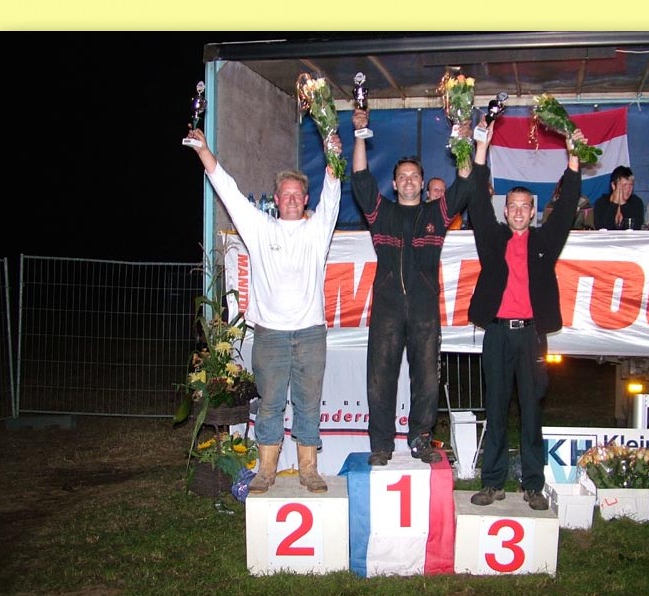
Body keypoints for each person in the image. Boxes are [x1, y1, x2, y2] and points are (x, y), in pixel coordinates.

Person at [185, 126, 342, 494]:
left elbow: (333, 193)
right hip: (270, 335)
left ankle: (309, 471)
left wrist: (333, 154)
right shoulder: (258, 227)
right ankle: (266, 471)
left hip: (310, 334)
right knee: (270, 405)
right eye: (286, 194)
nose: (292, 200)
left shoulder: (318, 230)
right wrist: (203, 151)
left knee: (308, 404)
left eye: (297, 194)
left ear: (306, 199)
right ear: (276, 199)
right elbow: (228, 190)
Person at [465, 119, 584, 510]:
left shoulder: (545, 241)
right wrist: (482, 145)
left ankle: (533, 485)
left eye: (524, 207)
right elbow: (476, 199)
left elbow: (567, 206)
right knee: (496, 411)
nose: (518, 212)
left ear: (533, 212)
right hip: (497, 335)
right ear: (506, 210)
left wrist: (573, 157)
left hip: (532, 337)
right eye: (512, 206)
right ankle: (493, 483)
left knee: (532, 413)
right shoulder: (492, 238)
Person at [351, 107, 474, 466]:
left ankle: (421, 438)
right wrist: (359, 134)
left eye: (414, 176)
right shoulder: (381, 213)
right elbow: (360, 178)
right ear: (394, 184)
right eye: (402, 177)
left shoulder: (436, 213)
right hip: (387, 308)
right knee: (380, 379)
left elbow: (465, 184)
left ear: (422, 183)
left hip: (424, 309)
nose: (408, 181)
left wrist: (463, 140)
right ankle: (381, 445)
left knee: (427, 380)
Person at [593, 165, 645, 230]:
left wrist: (623, 203)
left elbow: (635, 227)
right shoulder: (601, 202)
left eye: (631, 185)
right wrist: (614, 203)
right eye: (624, 185)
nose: (628, 189)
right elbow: (602, 228)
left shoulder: (636, 202)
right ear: (613, 185)